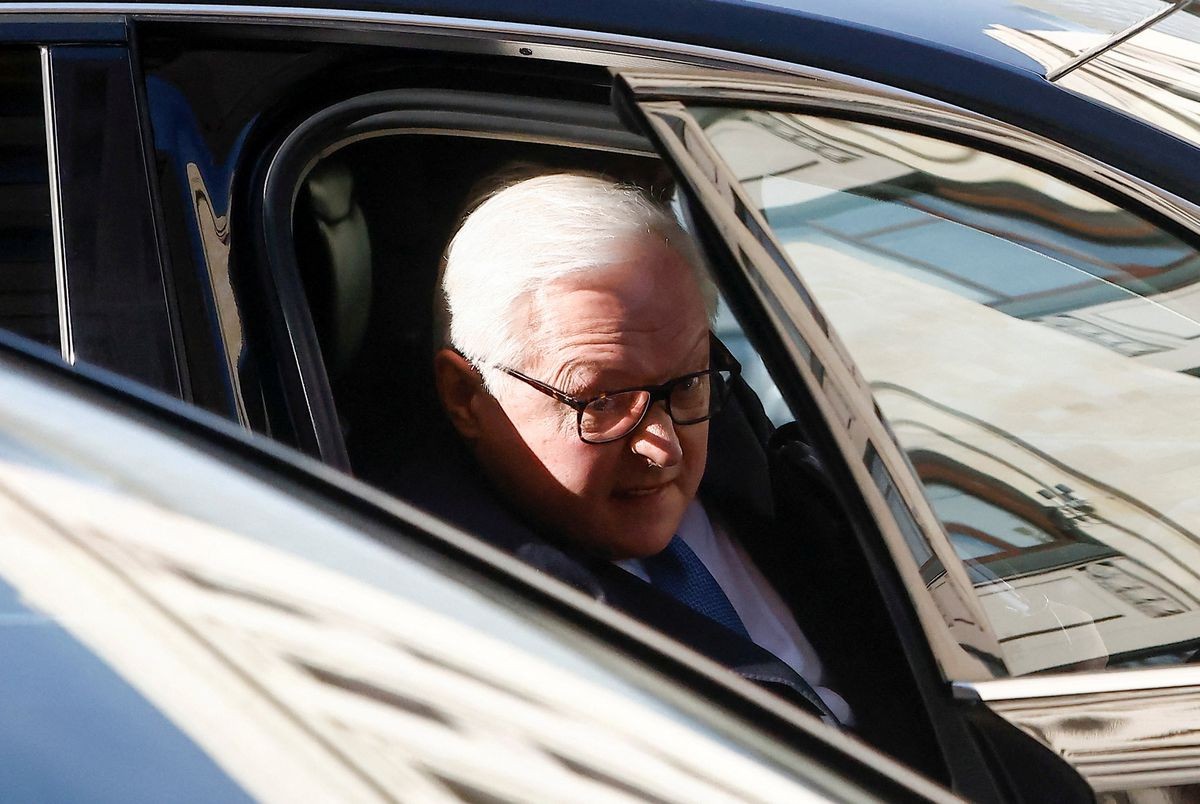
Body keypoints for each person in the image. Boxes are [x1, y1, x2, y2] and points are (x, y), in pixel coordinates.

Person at [431, 172, 847, 723]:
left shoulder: (778, 479)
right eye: (601, 401)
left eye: (688, 383)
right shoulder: (464, 634)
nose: (663, 448)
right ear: (467, 396)